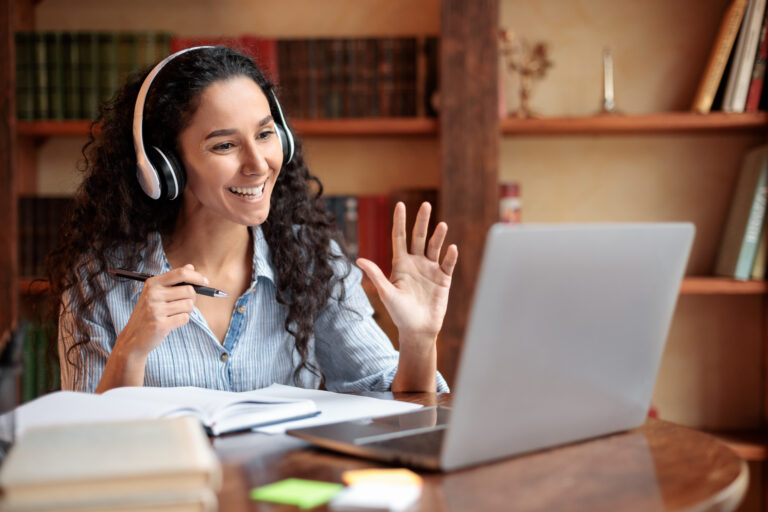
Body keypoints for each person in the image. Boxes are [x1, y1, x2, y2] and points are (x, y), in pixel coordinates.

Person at [47, 46, 458, 394]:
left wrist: (419, 340)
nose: (258, 164)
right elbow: (93, 446)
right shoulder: (100, 280)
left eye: (264, 135)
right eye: (225, 145)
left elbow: (398, 405)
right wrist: (130, 351)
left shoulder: (309, 259)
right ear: (164, 167)